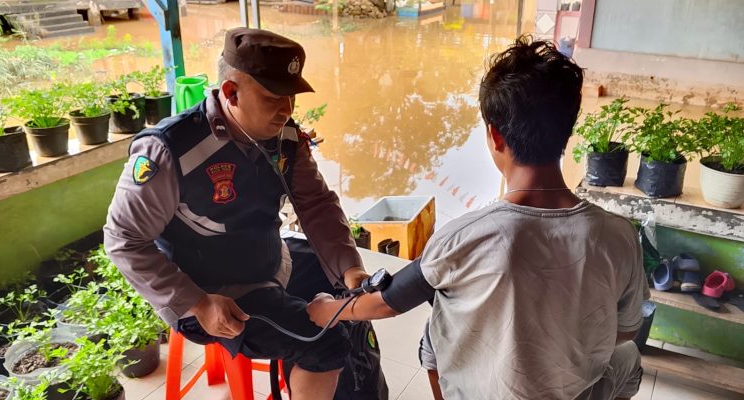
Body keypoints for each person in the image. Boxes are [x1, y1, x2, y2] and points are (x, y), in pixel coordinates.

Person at [306, 36, 649, 400]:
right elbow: (627, 330)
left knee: (435, 330)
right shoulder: (619, 235)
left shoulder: (464, 236)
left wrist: (325, 310)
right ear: (568, 132)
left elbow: (385, 303)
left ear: (494, 135)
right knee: (628, 357)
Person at [103, 27, 371, 400]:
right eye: (272, 98)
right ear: (231, 92)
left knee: (355, 300)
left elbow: (316, 203)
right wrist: (197, 303)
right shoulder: (170, 150)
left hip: (269, 263)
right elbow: (123, 240)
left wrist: (350, 268)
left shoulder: (285, 137)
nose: (287, 110)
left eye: (291, 97)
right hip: (215, 293)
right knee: (325, 345)